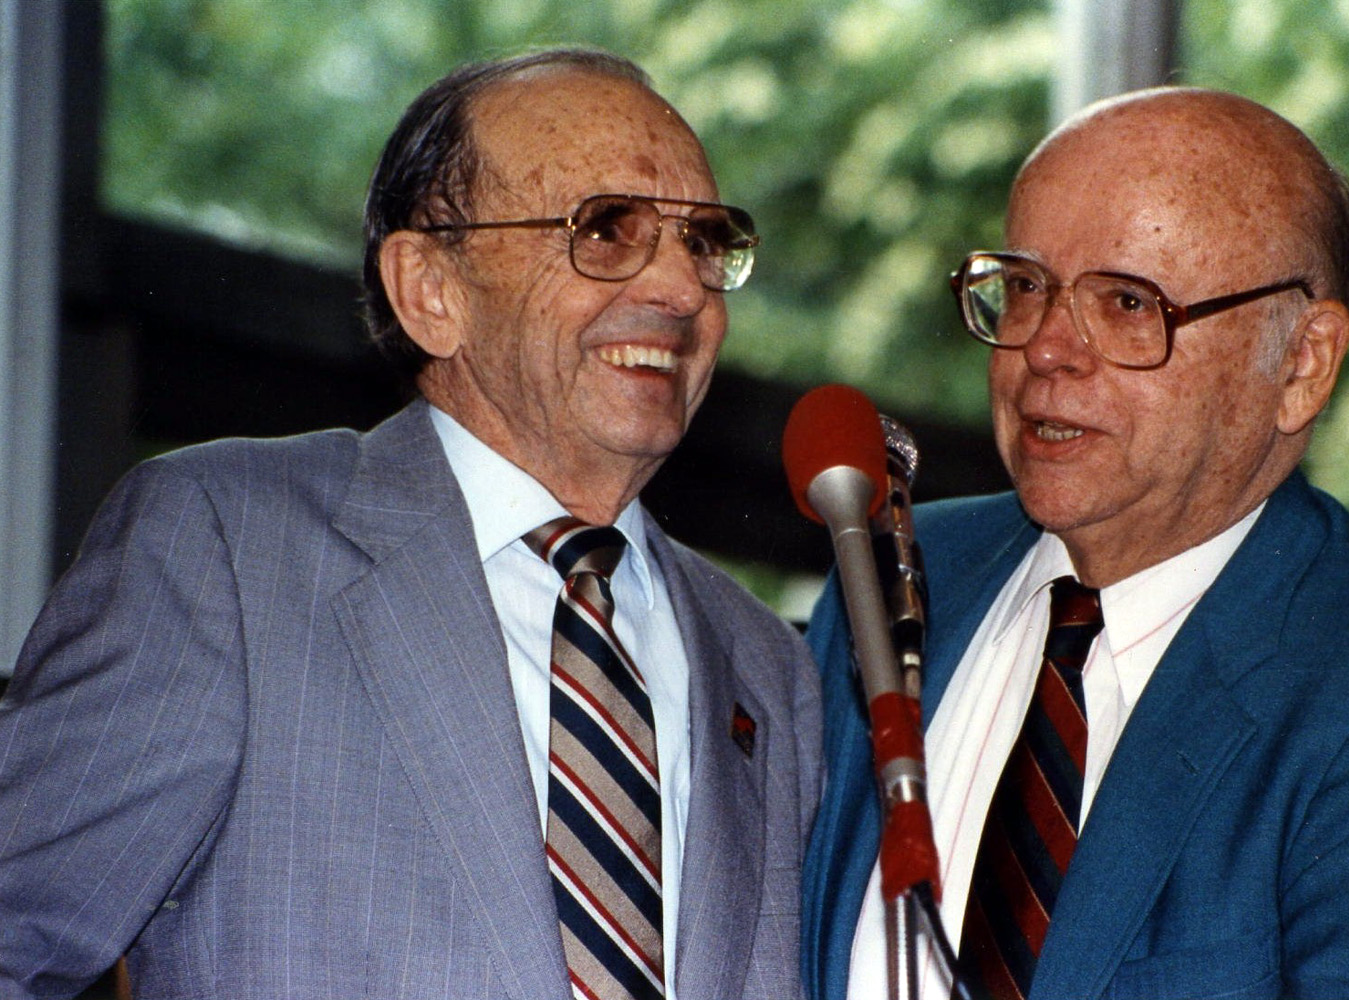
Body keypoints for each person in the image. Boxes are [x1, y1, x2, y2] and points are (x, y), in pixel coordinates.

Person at [0, 49, 821, 1000]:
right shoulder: (226, 549)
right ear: (432, 288)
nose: (682, 290)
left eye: (705, 241)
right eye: (607, 230)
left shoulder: (766, 663)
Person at [801, 87, 1349, 1000]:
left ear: (1301, 363)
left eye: (1126, 302)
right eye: (1026, 286)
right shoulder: (887, 575)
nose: (1045, 347)